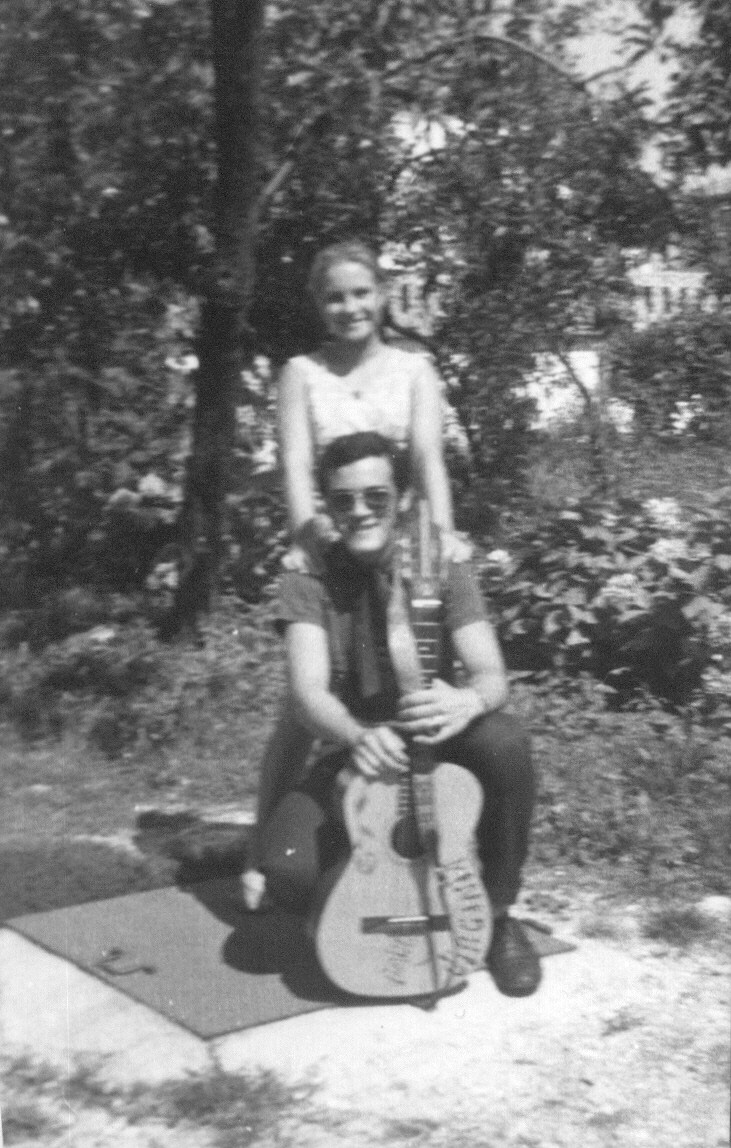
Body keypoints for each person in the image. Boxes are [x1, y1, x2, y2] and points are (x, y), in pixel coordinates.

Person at [257, 431, 540, 998]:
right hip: (357, 744)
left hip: (439, 735)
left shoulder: (442, 563)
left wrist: (468, 701)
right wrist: (355, 734)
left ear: (404, 499)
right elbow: (308, 694)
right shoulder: (307, 574)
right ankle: (364, 899)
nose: (360, 511)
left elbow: (492, 675)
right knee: (287, 868)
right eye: (343, 500)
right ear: (328, 505)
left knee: (505, 743)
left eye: (376, 497)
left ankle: (498, 913)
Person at [243, 240, 469, 910]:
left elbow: (426, 459)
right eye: (335, 297)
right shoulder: (300, 373)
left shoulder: (414, 369)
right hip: (331, 543)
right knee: (304, 707)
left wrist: (440, 536)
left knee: (412, 686)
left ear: (382, 295)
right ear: (319, 305)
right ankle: (262, 846)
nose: (349, 307)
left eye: (361, 293)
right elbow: (294, 467)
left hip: (401, 550)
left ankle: (429, 841)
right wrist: (308, 542)